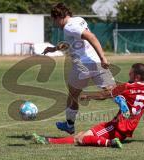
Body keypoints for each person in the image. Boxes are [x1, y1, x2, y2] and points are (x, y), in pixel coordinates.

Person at [31, 63, 144, 148]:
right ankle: (48, 140)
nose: (128, 76)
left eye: (130, 74)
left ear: (136, 76)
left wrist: (86, 95)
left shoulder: (126, 88)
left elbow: (103, 95)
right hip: (128, 128)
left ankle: (109, 143)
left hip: (117, 126)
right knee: (82, 134)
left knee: (81, 139)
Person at [42, 3, 115, 134]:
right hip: (96, 62)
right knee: (113, 91)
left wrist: (104, 58)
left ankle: (70, 125)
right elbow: (70, 43)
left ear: (59, 16)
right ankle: (127, 109)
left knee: (72, 95)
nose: (55, 23)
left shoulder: (69, 27)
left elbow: (92, 37)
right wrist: (53, 48)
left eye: (54, 19)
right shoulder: (79, 20)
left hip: (83, 65)